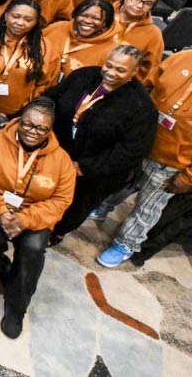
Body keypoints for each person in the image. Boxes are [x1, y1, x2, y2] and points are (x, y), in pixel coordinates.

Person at [96, 19, 192, 268]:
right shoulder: (184, 59)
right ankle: (103, 206)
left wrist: (191, 178)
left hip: (171, 164)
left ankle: (126, 243)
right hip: (140, 142)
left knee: (147, 208)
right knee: (116, 181)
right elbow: (147, 89)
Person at [0, 97, 75, 338]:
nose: (32, 131)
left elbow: (60, 201)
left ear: (50, 130)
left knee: (33, 249)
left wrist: (24, 220)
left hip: (34, 214)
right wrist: (1, 211)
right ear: (19, 120)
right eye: (27, 124)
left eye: (40, 128)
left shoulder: (62, 162)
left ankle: (16, 308)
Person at [40, 45, 157, 244]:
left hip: (96, 171)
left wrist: (85, 166)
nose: (110, 73)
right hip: (59, 152)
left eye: (120, 70)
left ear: (134, 72)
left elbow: (130, 151)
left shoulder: (141, 106)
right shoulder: (83, 76)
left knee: (76, 204)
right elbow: (53, 96)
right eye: (109, 65)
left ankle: (56, 233)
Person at [44, 0, 118, 83]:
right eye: (83, 15)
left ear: (105, 23)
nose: (87, 21)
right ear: (75, 15)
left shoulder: (111, 50)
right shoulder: (56, 28)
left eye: (96, 18)